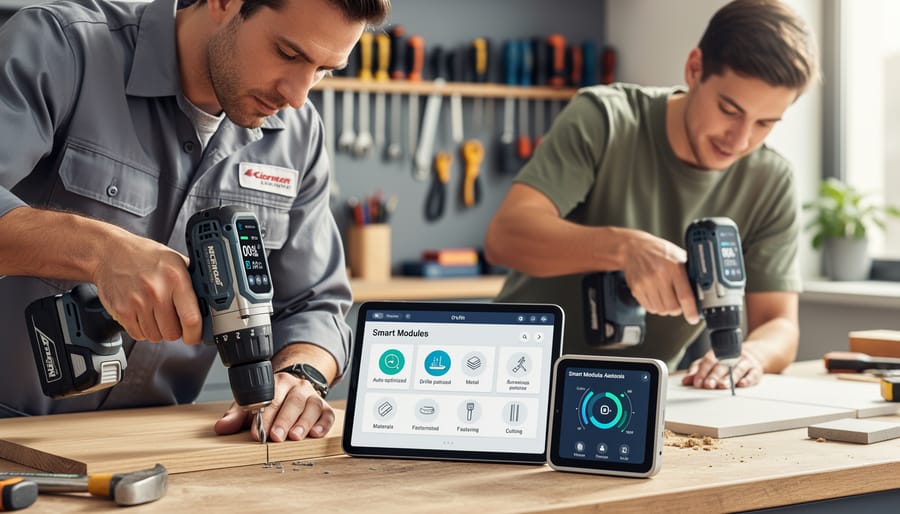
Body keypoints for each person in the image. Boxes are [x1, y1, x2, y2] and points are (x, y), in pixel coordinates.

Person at [0, 0, 389, 442]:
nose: (298, 96)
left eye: (324, 70)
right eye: (289, 53)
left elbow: (315, 304)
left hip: (152, 451)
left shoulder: (299, 136)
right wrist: (101, 251)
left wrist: (300, 374)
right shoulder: (62, 46)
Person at [484, 0, 817, 390]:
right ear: (694, 69)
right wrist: (625, 249)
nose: (741, 140)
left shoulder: (770, 180)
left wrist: (753, 355)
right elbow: (505, 237)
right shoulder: (605, 118)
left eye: (765, 123)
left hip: (640, 397)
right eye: (729, 109)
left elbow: (779, 324)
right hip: (515, 378)